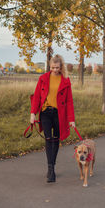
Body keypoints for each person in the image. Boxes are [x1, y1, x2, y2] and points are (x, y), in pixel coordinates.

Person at [30, 54, 75, 183]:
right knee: (48, 139)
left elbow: (69, 101)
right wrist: (33, 113)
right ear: (49, 66)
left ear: (61, 67)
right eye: (53, 67)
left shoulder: (65, 80)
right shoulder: (43, 78)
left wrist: (71, 119)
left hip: (59, 114)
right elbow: (37, 96)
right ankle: (50, 169)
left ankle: (52, 166)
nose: (55, 70)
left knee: (56, 140)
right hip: (45, 113)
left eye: (57, 67)